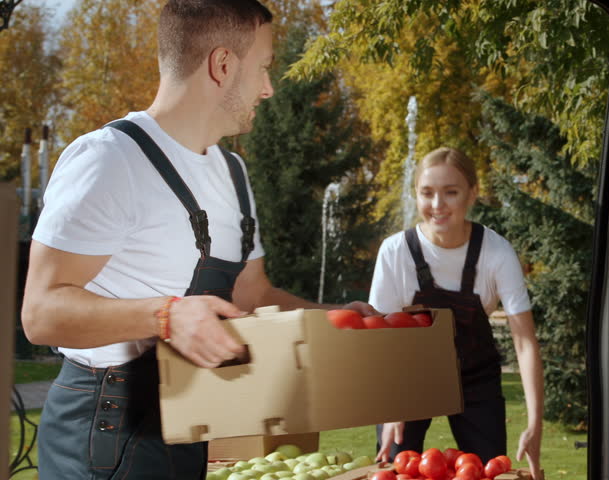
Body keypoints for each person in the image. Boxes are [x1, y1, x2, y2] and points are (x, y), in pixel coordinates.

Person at [20, 1, 375, 478]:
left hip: (189, 424)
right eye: (264, 69)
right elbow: (40, 314)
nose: (269, 88)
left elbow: (253, 295)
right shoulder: (110, 159)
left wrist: (337, 319)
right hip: (103, 429)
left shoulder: (233, 171)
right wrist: (165, 316)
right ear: (223, 65)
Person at [369, 147, 543, 479]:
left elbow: (525, 344)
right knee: (395, 469)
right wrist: (392, 409)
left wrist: (535, 423)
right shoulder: (395, 252)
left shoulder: (497, 253)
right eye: (427, 193)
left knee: (488, 472)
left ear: (472, 193)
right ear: (416, 194)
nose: (437, 205)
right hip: (409, 382)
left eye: (451, 192)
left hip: (476, 380)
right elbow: (382, 341)